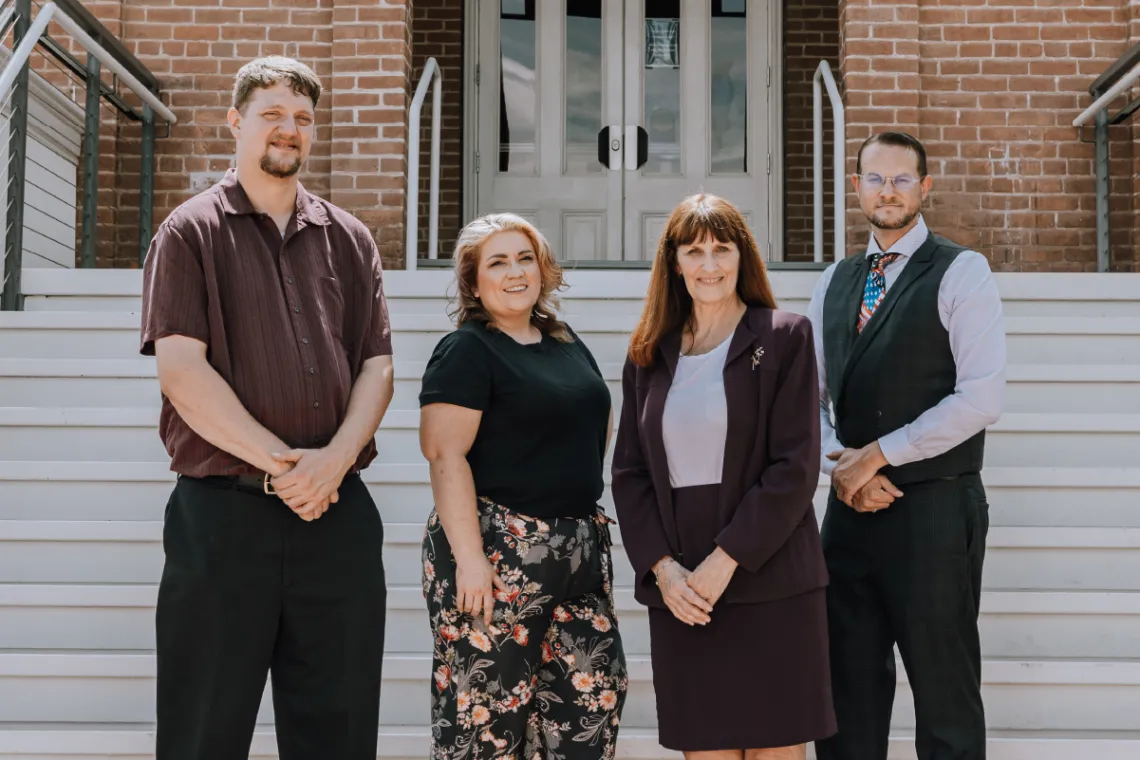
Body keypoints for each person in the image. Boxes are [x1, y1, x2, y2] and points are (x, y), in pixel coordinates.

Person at [139, 56, 394, 760]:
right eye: (273, 114)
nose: (290, 130)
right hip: (224, 519)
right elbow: (182, 372)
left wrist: (333, 463)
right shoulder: (190, 232)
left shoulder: (350, 239)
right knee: (203, 733)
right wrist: (287, 468)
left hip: (337, 518)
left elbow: (377, 365)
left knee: (338, 736)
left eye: (304, 119)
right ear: (236, 121)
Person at [611, 194, 835, 759]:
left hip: (773, 577)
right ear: (674, 263)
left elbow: (796, 465)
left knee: (775, 750)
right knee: (705, 750)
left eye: (721, 249)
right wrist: (663, 571)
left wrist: (725, 560)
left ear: (742, 257)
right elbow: (630, 475)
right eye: (694, 251)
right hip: (684, 590)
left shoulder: (786, 337)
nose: (709, 265)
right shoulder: (645, 357)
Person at [810, 132, 1006, 760]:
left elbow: (981, 398)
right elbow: (805, 400)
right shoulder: (833, 282)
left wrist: (880, 453)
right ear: (856, 188)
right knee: (847, 695)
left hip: (935, 511)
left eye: (901, 179)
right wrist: (843, 468)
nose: (887, 191)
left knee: (945, 695)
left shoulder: (962, 271)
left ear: (925, 187)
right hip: (849, 514)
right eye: (875, 178)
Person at [418, 213, 628, 759]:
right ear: (472, 281)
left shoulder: (562, 339)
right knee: (486, 720)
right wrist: (469, 558)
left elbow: (593, 421)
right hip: (495, 551)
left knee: (589, 708)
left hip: (578, 551)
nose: (515, 272)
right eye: (498, 262)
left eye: (525, 258)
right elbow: (445, 454)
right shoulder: (467, 349)